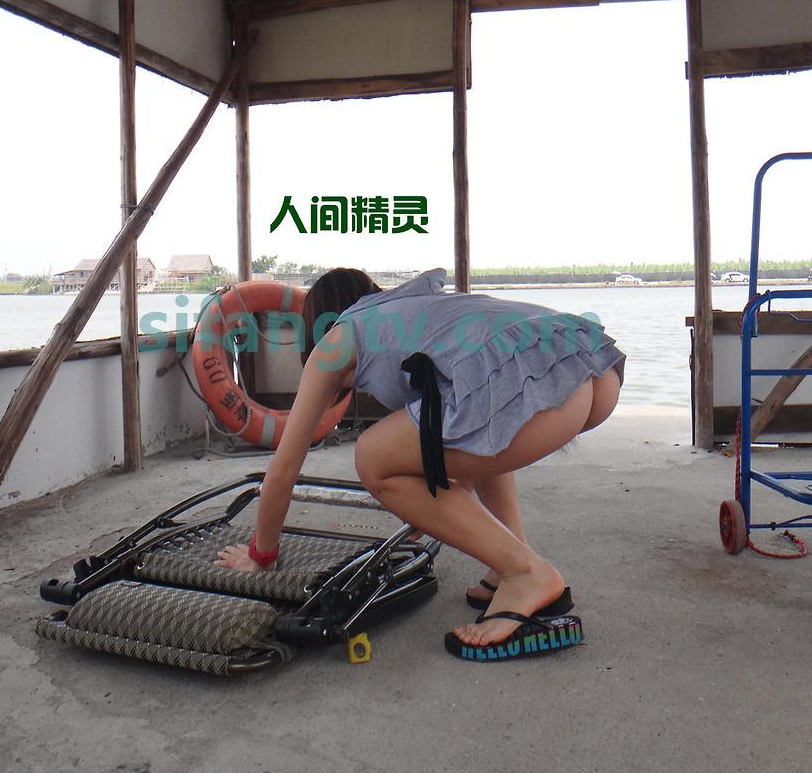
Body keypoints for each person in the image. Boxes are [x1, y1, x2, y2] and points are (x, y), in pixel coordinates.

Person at [215, 267, 625, 661]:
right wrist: (424, 511)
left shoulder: (337, 339)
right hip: (591, 365)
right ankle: (508, 563)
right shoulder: (413, 313)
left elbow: (284, 469)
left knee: (373, 457)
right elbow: (456, 453)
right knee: (478, 426)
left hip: (545, 383)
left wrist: (261, 555)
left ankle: (526, 574)